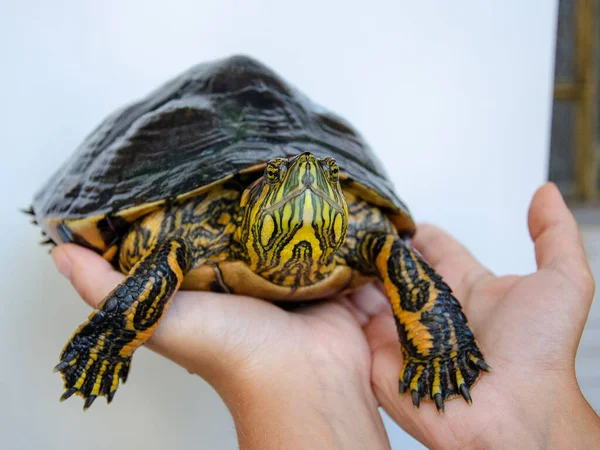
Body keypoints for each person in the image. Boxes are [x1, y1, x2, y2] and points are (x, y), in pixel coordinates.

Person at [51, 183, 600, 449]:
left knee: (393, 252)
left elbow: (395, 251)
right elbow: (155, 252)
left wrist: (444, 346)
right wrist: (112, 335)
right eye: (286, 189)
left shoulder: (365, 236)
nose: (307, 186)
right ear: (255, 206)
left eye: (322, 186)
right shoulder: (198, 228)